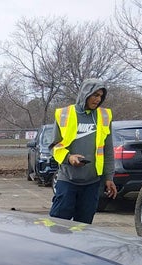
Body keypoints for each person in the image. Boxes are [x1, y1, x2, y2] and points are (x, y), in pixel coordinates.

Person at [49, 79, 118, 224]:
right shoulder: (64, 114)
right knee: (58, 225)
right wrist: (69, 158)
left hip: (92, 183)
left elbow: (108, 150)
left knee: (83, 228)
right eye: (95, 95)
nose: (98, 99)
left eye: (100, 96)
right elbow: (54, 147)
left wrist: (109, 178)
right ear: (85, 94)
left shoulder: (104, 116)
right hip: (67, 179)